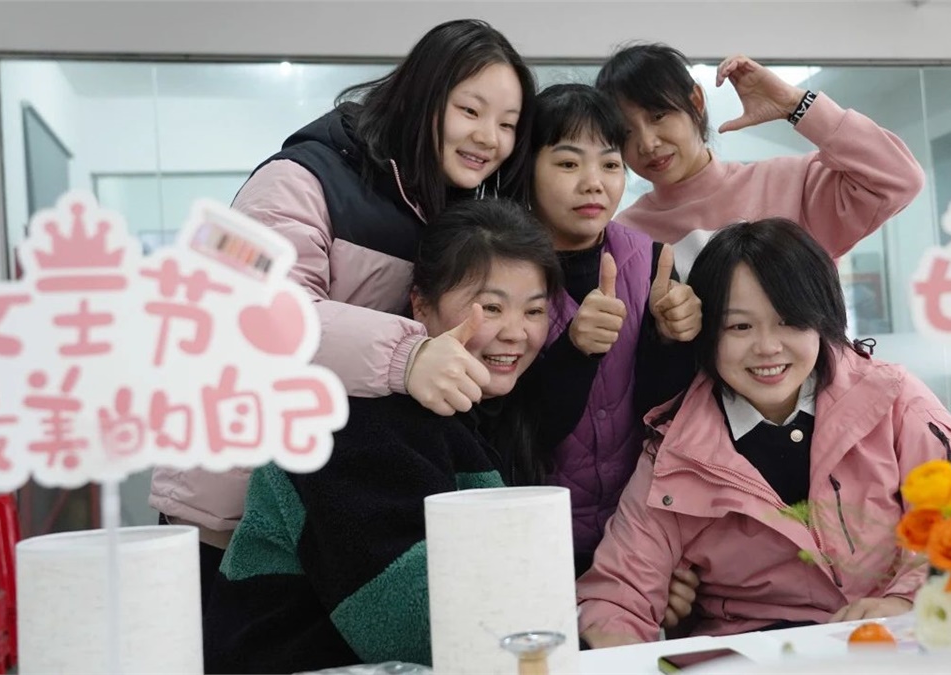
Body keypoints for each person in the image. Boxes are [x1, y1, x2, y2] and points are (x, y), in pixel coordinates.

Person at [149, 19, 537, 600]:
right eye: (470, 111)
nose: (489, 137)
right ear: (422, 96)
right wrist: (408, 357)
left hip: (339, 512)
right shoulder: (296, 179)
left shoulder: (439, 208)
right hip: (232, 513)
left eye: (507, 124)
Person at [576, 218, 951, 647]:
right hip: (750, 655)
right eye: (739, 327)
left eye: (789, 321)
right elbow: (619, 593)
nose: (768, 347)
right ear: (706, 332)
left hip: (893, 646)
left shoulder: (894, 401)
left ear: (823, 318)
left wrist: (908, 602)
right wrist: (615, 644)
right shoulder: (676, 450)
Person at [203, 199, 561, 674]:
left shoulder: (463, 418)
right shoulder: (353, 423)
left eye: (534, 311)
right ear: (421, 305)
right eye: (491, 307)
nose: (516, 333)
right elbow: (412, 629)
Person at [527, 85, 700, 607]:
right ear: (525, 167)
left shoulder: (651, 261)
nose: (593, 183)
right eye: (567, 163)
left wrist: (672, 340)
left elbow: (664, 417)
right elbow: (506, 428)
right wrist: (573, 352)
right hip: (532, 541)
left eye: (609, 164)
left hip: (637, 538)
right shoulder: (502, 267)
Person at [595, 44, 924, 278]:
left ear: (695, 101)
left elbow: (898, 178)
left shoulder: (792, 184)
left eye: (658, 116)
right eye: (626, 131)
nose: (647, 143)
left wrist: (794, 104)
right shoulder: (624, 234)